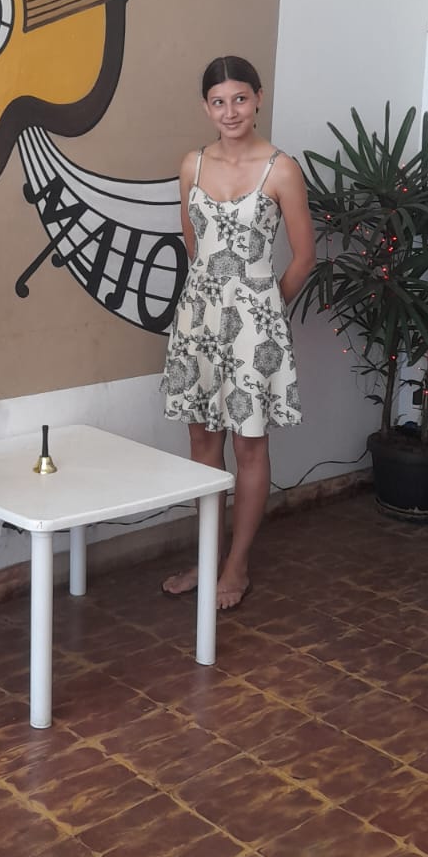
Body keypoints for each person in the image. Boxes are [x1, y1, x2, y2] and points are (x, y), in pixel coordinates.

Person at [160, 55, 315, 610]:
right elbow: (193, 245)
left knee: (250, 444)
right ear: (207, 107)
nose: (230, 111)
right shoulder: (192, 164)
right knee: (202, 443)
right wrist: (212, 302)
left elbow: (304, 257)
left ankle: (237, 564)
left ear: (258, 99)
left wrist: (265, 310)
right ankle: (208, 557)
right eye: (219, 102)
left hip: (255, 325)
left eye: (241, 99)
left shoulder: (282, 169)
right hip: (197, 320)